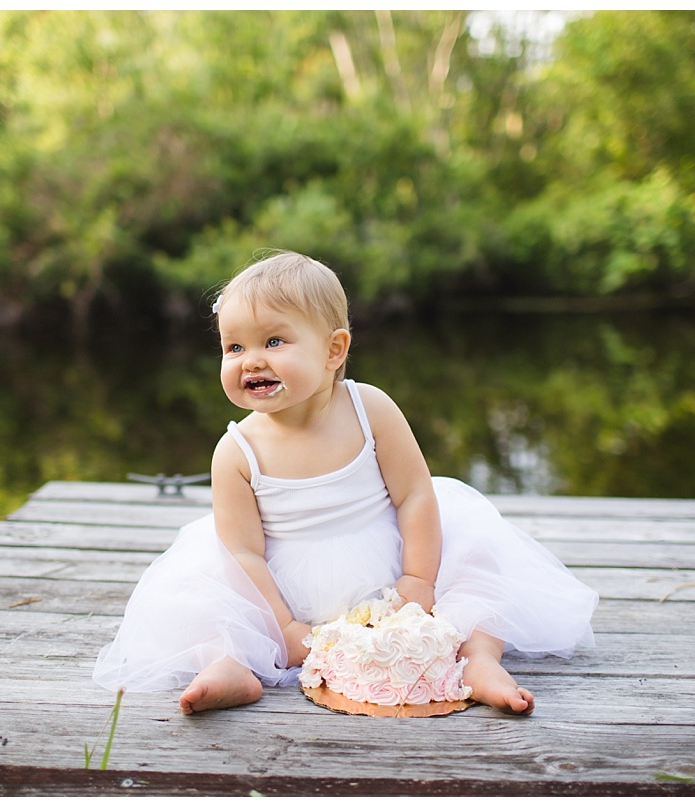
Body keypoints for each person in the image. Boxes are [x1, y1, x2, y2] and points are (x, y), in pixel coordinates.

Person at [93, 250, 598, 716]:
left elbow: (415, 493)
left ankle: (479, 660)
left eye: (273, 341)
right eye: (233, 346)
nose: (251, 360)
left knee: (481, 557)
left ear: (334, 350)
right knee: (201, 594)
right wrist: (285, 627)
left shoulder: (369, 408)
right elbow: (244, 554)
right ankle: (230, 666)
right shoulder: (235, 452)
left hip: (392, 565)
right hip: (284, 588)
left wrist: (418, 581)